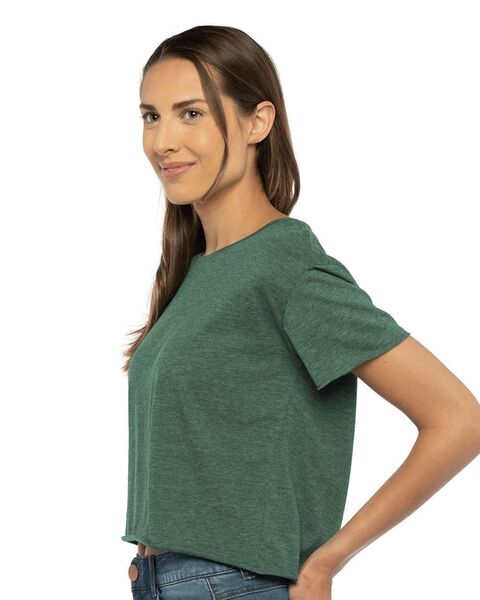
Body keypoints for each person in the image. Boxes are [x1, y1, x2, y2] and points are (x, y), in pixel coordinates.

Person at [121, 25, 480, 600]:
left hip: (230, 584)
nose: (163, 140)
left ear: (257, 122)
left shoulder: (284, 266)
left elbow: (459, 420)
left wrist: (325, 564)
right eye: (151, 116)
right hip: (167, 582)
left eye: (191, 114)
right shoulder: (199, 272)